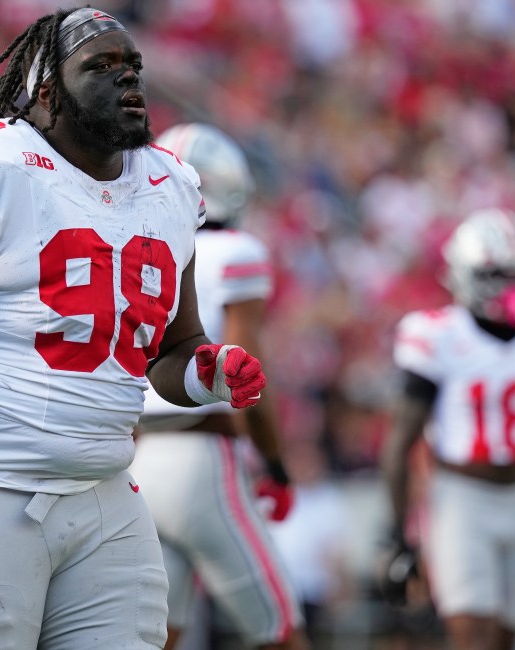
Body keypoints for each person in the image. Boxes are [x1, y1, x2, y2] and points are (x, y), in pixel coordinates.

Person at [0, 6, 268, 649]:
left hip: (102, 488)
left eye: (133, 65)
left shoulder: (169, 187)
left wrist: (210, 373)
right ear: (48, 91)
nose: (128, 78)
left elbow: (173, 351)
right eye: (101, 66)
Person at [128, 123, 309, 650]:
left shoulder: (138, 245)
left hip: (139, 459)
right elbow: (247, 376)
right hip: (202, 457)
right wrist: (275, 464)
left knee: (158, 636)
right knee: (280, 629)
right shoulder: (235, 251)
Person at [382, 207, 515, 650]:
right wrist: (396, 533)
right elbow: (399, 443)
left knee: (505, 640)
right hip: (461, 501)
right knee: (473, 638)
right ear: (468, 275)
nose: (514, 287)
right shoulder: (438, 336)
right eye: (501, 275)